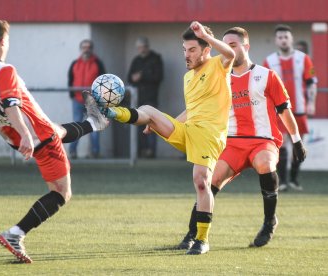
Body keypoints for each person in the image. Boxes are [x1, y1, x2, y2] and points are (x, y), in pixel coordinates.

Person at [0, 19, 108, 263]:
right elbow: (10, 105)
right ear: (4, 41)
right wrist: (26, 133)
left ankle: (93, 122)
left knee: (58, 132)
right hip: (36, 134)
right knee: (62, 193)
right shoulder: (5, 71)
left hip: (15, 137)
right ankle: (16, 233)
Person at [99, 21, 235, 255]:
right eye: (184, 50)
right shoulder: (188, 78)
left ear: (206, 50)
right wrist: (163, 123)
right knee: (149, 110)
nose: (186, 55)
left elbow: (231, 52)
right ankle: (111, 112)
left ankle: (202, 240)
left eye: (192, 49)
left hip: (210, 135)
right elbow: (191, 109)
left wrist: (206, 35)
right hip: (189, 130)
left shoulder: (218, 65)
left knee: (201, 181)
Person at [176, 27, 307, 251]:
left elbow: (284, 111)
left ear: (246, 47)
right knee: (208, 181)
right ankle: (192, 234)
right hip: (231, 141)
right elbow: (194, 109)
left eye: (233, 45)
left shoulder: (266, 75)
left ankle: (269, 222)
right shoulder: (219, 75)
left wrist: (296, 141)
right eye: (224, 44)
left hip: (262, 140)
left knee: (266, 163)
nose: (228, 48)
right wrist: (169, 124)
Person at [264, 24, 317, 191]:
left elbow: (312, 82)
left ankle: (294, 180)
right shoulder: (269, 60)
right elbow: (264, 87)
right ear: (276, 40)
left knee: (297, 144)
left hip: (299, 109)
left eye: (286, 37)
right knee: (282, 144)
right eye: (280, 37)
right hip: (279, 110)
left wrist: (311, 102)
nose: (283, 40)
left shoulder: (304, 58)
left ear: (291, 39)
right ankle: (284, 182)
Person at [67, 39, 106, 159]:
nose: (86, 49)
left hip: (93, 101)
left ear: (91, 49)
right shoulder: (75, 63)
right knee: (76, 126)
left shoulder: (98, 63)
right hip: (78, 100)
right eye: (84, 47)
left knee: (94, 126)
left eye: (88, 47)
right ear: (81, 49)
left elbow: (103, 80)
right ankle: (72, 152)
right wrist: (72, 95)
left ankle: (95, 152)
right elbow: (70, 79)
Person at [127, 36, 163, 158]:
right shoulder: (136, 60)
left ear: (147, 46)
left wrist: (142, 76)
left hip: (151, 98)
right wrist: (134, 78)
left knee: (152, 125)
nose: (141, 50)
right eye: (139, 47)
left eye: (143, 47)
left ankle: (151, 152)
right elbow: (129, 78)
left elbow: (158, 77)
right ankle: (140, 151)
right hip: (137, 98)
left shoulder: (156, 59)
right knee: (138, 125)